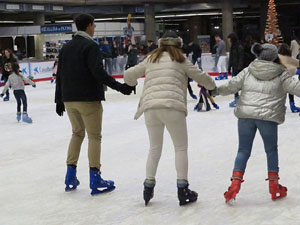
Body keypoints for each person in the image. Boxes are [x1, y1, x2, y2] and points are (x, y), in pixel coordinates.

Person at [124, 30, 216, 206]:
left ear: (161, 44)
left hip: (151, 108)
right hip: (172, 107)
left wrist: (132, 83)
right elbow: (201, 77)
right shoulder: (181, 60)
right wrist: (212, 87)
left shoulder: (151, 58)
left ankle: (148, 187)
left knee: (154, 148)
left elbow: (129, 75)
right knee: (180, 148)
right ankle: (183, 189)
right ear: (178, 44)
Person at [55, 14, 134, 196]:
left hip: (69, 99)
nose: (95, 28)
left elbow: (60, 75)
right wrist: (120, 87)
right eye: (94, 25)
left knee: (76, 133)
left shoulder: (66, 48)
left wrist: (59, 99)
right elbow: (98, 72)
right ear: (89, 26)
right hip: (88, 99)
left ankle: (70, 176)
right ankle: (95, 178)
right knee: (94, 137)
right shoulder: (90, 46)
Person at [213, 43, 300, 203]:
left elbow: (231, 86)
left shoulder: (248, 70)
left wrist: (215, 90)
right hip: (268, 118)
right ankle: (274, 186)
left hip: (246, 116)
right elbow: (297, 88)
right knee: (271, 151)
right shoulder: (281, 74)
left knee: (243, 151)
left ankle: (235, 184)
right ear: (275, 57)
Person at [278, 43, 300, 112]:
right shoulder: (289, 59)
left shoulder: (277, 57)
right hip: (287, 77)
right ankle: (292, 105)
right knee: (291, 89)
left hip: (277, 78)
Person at [227, 33, 245, 107]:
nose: (228, 41)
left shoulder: (239, 46)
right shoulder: (232, 47)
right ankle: (236, 97)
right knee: (234, 83)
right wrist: (229, 67)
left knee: (241, 83)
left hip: (239, 68)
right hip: (234, 67)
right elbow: (231, 58)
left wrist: (239, 67)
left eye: (229, 39)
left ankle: (243, 98)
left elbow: (241, 57)